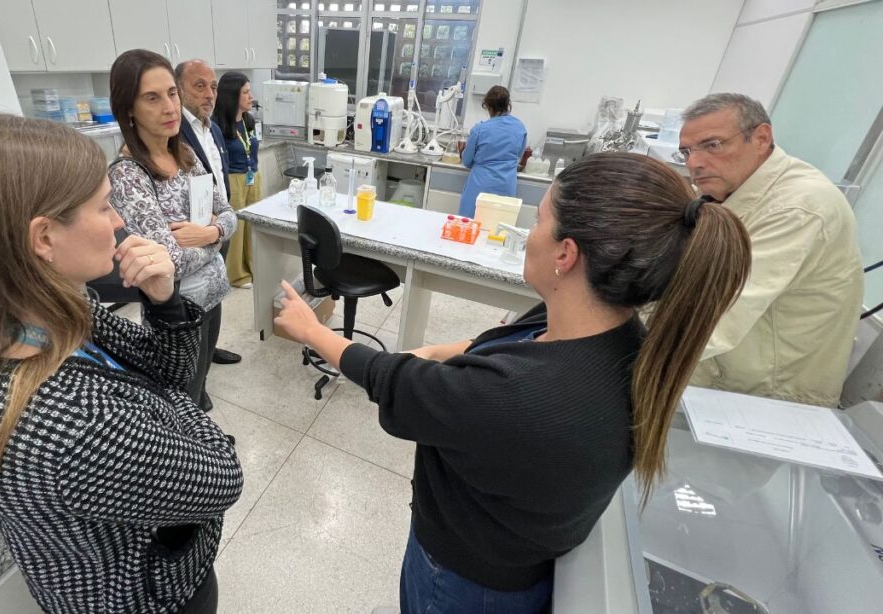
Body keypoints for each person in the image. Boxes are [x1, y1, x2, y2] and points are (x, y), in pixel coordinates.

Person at [275, 152, 751, 613]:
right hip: (509, 550)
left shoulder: (517, 397)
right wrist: (439, 352)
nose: (528, 235)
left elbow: (395, 383)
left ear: (567, 253)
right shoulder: (612, 333)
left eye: (539, 220)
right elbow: (505, 341)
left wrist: (313, 331)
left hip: (465, 579)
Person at [0, 111, 243, 613]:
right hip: (151, 600)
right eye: (104, 207)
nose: (120, 222)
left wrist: (166, 303)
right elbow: (223, 475)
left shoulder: (47, 318)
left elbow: (164, 370)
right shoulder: (73, 423)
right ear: (43, 238)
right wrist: (177, 407)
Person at [679, 93, 863, 407]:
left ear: (761, 138)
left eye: (712, 145)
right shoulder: (732, 189)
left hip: (771, 396)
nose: (694, 162)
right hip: (727, 375)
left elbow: (722, 316)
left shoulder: (798, 208)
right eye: (686, 151)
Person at [108, 49, 237, 413]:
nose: (169, 107)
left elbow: (229, 215)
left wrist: (209, 234)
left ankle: (200, 427)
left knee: (200, 382)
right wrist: (217, 236)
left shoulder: (186, 155)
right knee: (181, 396)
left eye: (171, 93)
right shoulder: (130, 174)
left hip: (212, 293)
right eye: (152, 97)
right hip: (178, 311)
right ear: (128, 108)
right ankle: (194, 450)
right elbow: (171, 265)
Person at [175, 58, 242, 367]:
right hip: (193, 237)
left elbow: (218, 176)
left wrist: (222, 218)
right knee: (194, 305)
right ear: (179, 89)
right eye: (199, 86)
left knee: (215, 294)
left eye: (213, 87)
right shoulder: (173, 134)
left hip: (218, 225)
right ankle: (195, 369)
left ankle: (210, 349)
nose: (209, 94)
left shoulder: (212, 128)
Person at [213, 71, 260, 288]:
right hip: (234, 180)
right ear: (232, 96)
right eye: (246, 92)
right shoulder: (218, 127)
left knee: (253, 225)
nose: (251, 97)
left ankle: (252, 266)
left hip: (253, 177)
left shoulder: (248, 121)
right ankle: (236, 275)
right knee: (237, 228)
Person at [458, 85, 527, 218]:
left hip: (480, 187)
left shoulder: (479, 130)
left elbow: (467, 161)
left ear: (488, 106)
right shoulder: (520, 127)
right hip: (506, 186)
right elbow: (519, 155)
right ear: (508, 104)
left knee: (472, 227)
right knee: (498, 228)